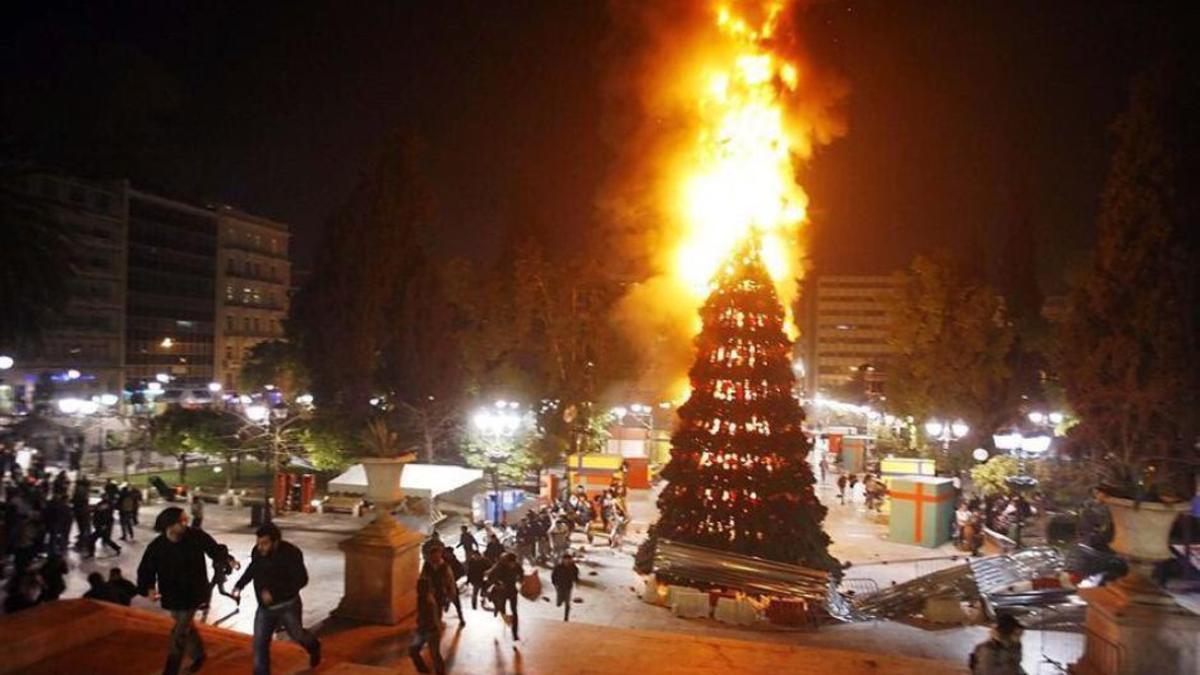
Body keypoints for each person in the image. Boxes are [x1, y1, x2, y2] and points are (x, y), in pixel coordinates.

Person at [137, 506, 240, 675]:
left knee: (179, 632)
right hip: (172, 594)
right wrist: (148, 588)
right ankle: (199, 654)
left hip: (193, 592)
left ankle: (171, 670)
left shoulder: (196, 536)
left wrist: (229, 560)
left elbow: (214, 549)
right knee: (185, 625)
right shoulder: (157, 546)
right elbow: (146, 570)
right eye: (181, 521)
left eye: (186, 520)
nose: (186, 523)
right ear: (170, 525)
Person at [232, 523, 322, 675]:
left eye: (264, 543)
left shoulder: (291, 554)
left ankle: (314, 647)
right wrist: (239, 585)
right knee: (259, 644)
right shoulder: (258, 552)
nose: (260, 547)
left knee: (298, 635)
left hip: (288, 605)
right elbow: (253, 568)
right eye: (258, 543)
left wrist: (274, 593)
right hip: (265, 609)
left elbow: (301, 580)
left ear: (276, 542)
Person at [409, 573, 446, 674]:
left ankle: (428, 672)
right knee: (434, 655)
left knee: (431, 654)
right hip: (427, 630)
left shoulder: (426, 600)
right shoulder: (426, 598)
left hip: (429, 630)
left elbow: (431, 618)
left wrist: (423, 627)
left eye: (418, 587)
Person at [486, 551, 523, 640]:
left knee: (514, 611)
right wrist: (498, 583)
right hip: (501, 591)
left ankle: (515, 634)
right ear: (507, 562)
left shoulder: (516, 565)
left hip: (512, 590)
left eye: (514, 563)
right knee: (502, 610)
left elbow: (521, 572)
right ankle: (499, 611)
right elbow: (490, 577)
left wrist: (520, 578)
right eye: (511, 563)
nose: (512, 565)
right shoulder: (499, 566)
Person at [551, 552, 579, 622]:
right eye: (565, 560)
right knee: (559, 602)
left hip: (568, 586)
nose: (567, 561)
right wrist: (554, 582)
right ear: (563, 560)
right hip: (560, 585)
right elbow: (553, 575)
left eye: (568, 560)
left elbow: (576, 575)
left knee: (567, 602)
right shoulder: (558, 567)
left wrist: (576, 580)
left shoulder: (573, 567)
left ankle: (566, 617)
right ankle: (560, 600)